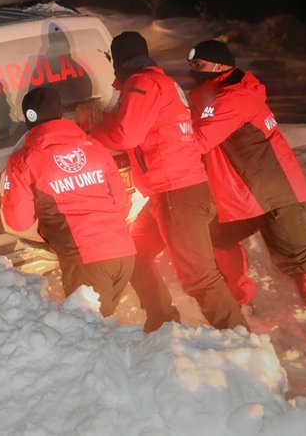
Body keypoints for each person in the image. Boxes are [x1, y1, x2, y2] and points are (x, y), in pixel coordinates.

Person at [187, 39, 306, 346]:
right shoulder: (219, 94)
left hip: (275, 195)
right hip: (246, 196)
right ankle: (240, 300)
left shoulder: (233, 98)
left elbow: (198, 140)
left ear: (219, 66)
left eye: (198, 65)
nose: (192, 70)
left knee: (296, 260)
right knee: (219, 239)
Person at [88, 31, 248, 333]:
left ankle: (239, 339)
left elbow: (125, 136)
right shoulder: (160, 81)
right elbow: (136, 126)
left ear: (118, 61)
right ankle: (162, 321)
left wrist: (94, 127)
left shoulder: (142, 83)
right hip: (169, 190)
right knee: (135, 255)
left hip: (176, 191)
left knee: (199, 276)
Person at [1, 86, 135, 317]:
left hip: (85, 259)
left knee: (89, 331)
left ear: (28, 119)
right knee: (104, 328)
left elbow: (18, 221)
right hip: (124, 252)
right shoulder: (94, 147)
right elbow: (122, 202)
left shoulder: (24, 160)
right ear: (61, 114)